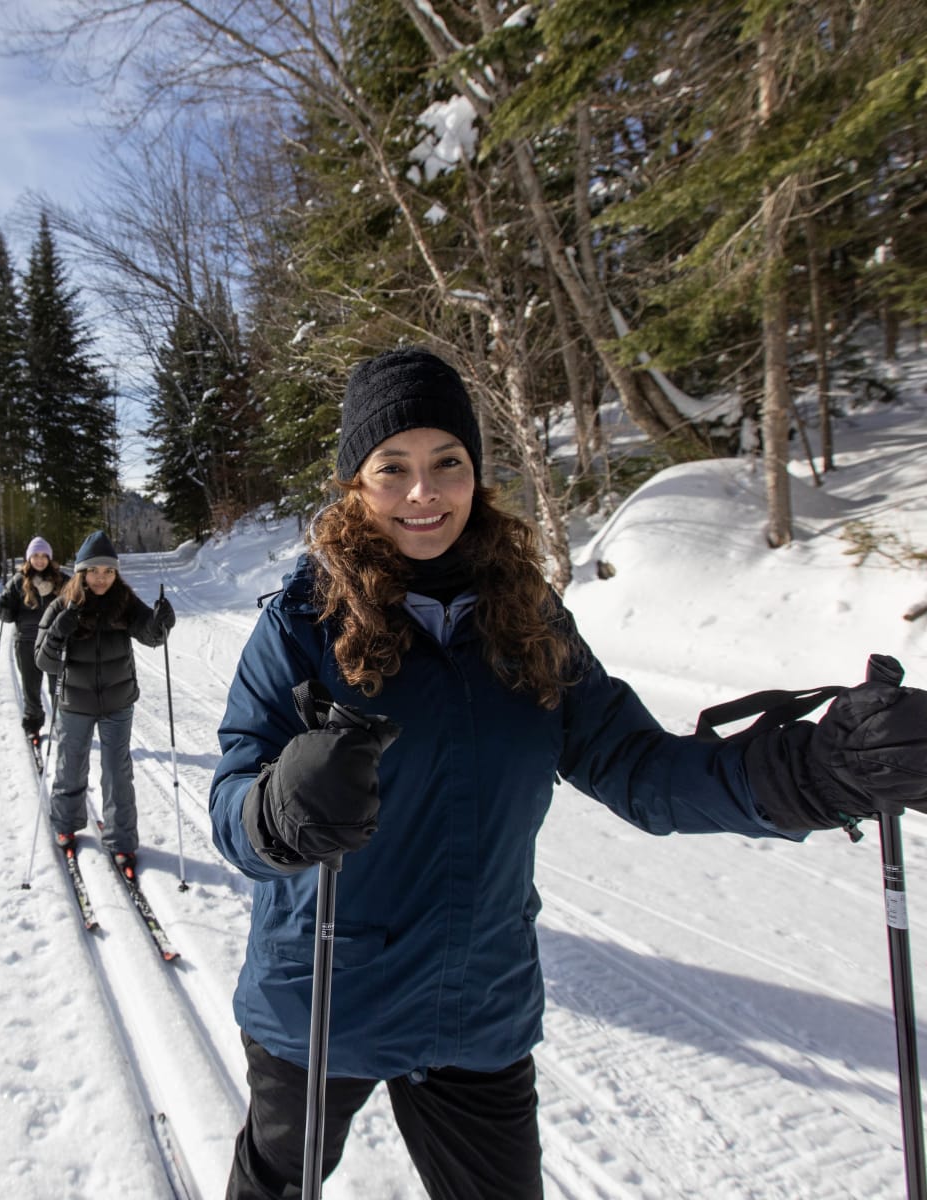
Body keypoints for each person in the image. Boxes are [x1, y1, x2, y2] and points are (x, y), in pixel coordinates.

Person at [208, 346, 927, 1200]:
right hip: (322, 998)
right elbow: (233, 798)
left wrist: (814, 772)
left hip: (476, 1005)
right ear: (354, 484)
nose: (423, 492)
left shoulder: (527, 619)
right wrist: (279, 809)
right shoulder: (301, 623)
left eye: (448, 464)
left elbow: (641, 767)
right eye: (391, 468)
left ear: (477, 473)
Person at [35, 529, 175, 867]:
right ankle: (66, 825)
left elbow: (150, 635)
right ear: (81, 572)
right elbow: (43, 659)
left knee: (117, 772)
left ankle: (121, 840)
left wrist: (161, 624)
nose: (101, 579)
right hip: (74, 704)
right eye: (95, 571)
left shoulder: (124, 602)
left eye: (109, 571)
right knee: (71, 767)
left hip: (117, 702)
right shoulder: (61, 605)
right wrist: (58, 632)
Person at [0, 536, 70, 739]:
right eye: (35, 556)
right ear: (29, 558)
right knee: (31, 686)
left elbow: (76, 600)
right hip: (27, 641)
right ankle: (33, 725)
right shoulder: (19, 581)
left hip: (54, 641)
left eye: (43, 556)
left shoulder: (61, 580)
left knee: (58, 685)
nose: (39, 560)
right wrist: (4, 606)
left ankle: (62, 721)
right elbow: (7, 614)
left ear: (49, 557)